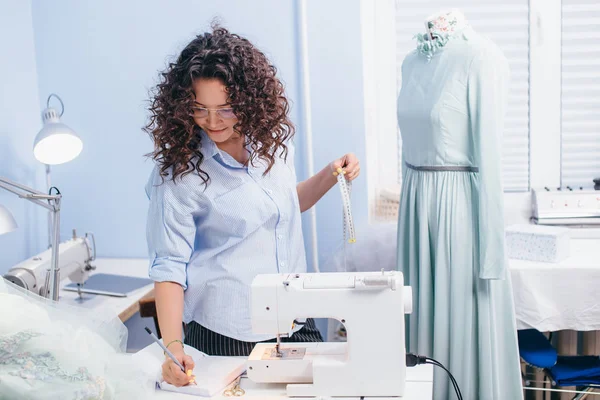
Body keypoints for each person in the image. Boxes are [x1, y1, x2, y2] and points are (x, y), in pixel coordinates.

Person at [144, 25, 360, 387]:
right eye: (200, 109)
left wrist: (331, 173)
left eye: (225, 109)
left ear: (248, 100)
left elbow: (282, 207)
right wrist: (173, 346)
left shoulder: (271, 146)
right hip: (225, 334)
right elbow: (169, 266)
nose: (212, 122)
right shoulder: (179, 174)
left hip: (295, 322)